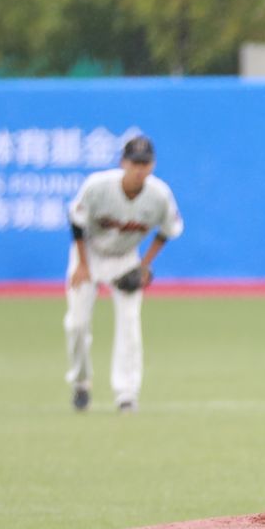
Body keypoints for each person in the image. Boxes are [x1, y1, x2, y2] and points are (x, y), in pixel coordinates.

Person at [65, 134, 184, 414]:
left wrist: (144, 266)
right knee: (76, 324)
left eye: (145, 163)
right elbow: (77, 222)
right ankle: (81, 382)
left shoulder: (159, 195)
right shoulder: (98, 186)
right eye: (134, 163)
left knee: (130, 324)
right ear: (123, 163)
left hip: (126, 257)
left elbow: (169, 230)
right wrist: (82, 266)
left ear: (152, 165)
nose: (139, 169)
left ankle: (127, 394)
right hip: (89, 253)